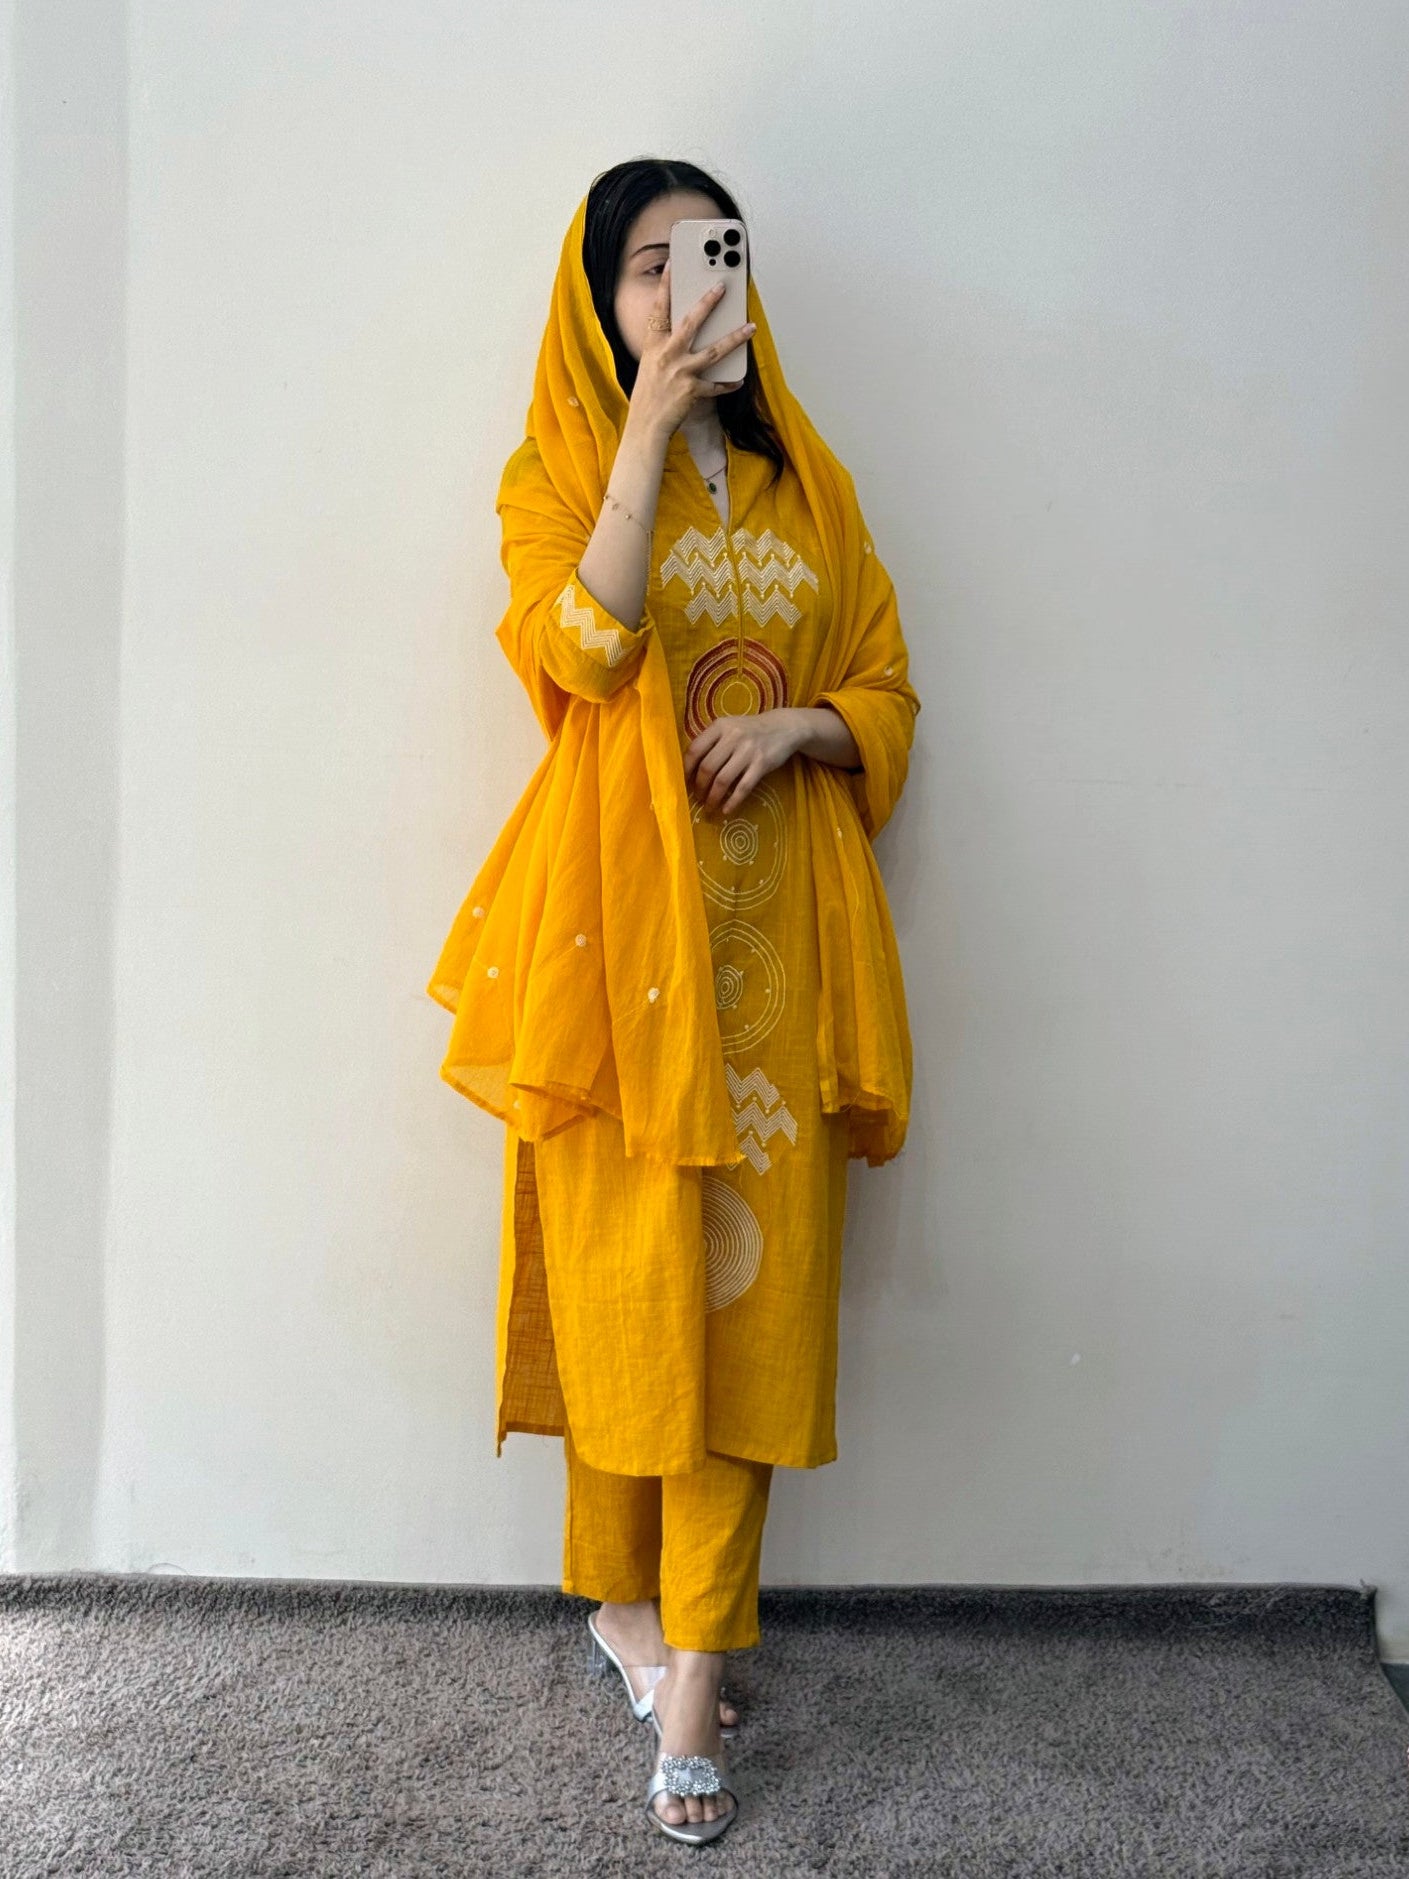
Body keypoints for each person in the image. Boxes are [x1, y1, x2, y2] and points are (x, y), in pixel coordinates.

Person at [426, 157, 921, 1847]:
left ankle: (694, 1677)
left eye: (713, 256)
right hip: (612, 955)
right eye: (650, 263)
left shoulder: (805, 483)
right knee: (632, 1291)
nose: (688, 288)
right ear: (597, 298)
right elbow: (580, 647)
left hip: (774, 952)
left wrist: (800, 729)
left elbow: (885, 683)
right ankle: (625, 1610)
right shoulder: (553, 472)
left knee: (746, 1307)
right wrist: (644, 422)